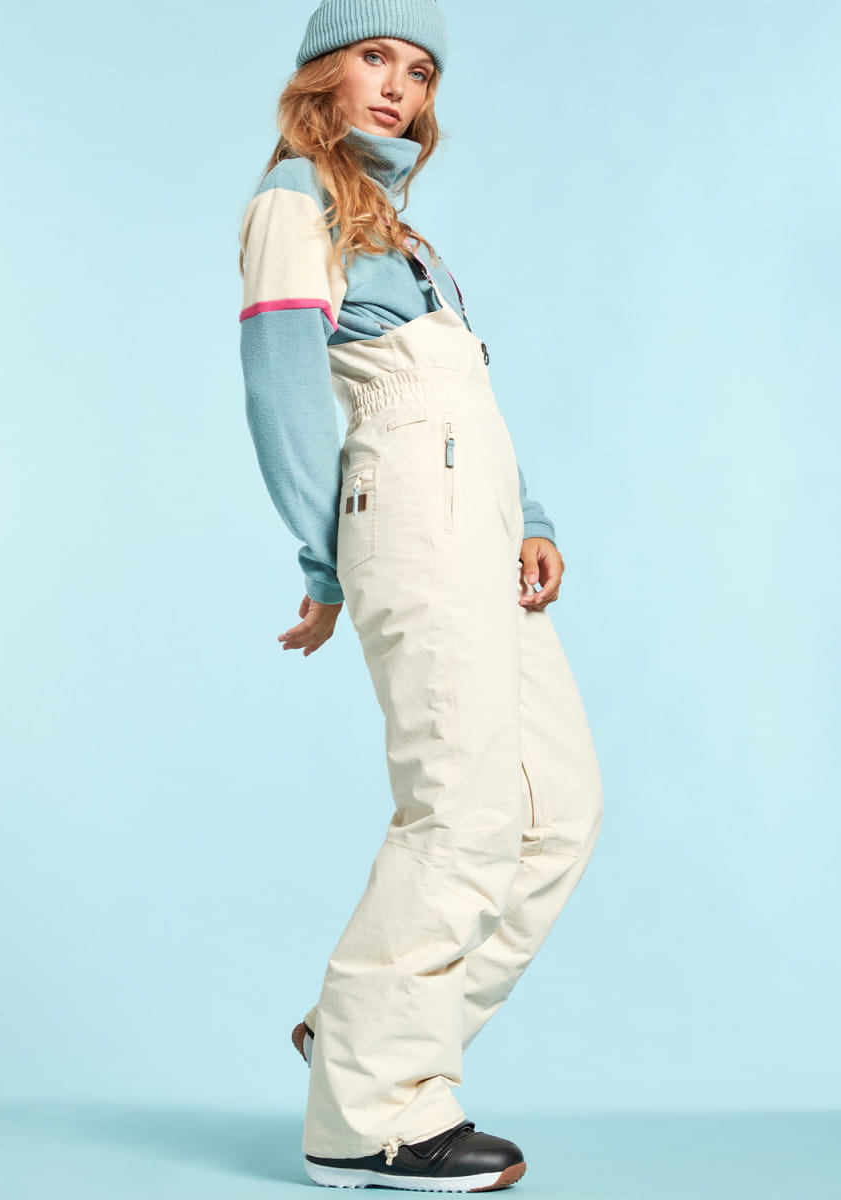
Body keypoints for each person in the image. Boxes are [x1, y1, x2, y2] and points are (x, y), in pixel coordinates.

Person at [237, 0, 604, 1190]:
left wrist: (529, 516)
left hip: (475, 524)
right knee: (459, 805)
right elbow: (286, 397)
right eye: (373, 56)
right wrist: (321, 564)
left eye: (419, 68)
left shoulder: (401, 234)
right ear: (320, 74)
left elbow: (461, 403)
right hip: (407, 520)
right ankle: (367, 1116)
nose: (397, 84)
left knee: (554, 811)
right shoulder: (294, 202)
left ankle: (364, 1036)